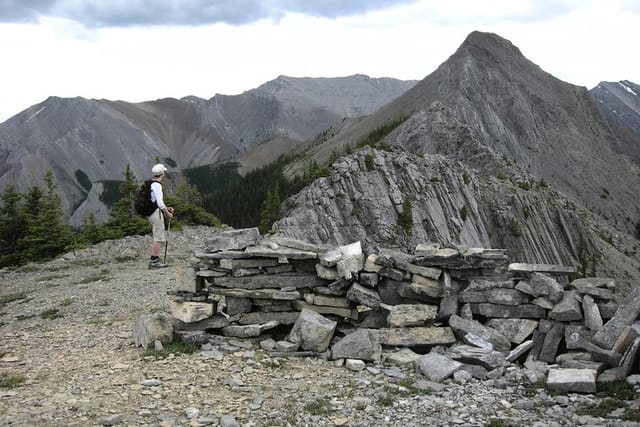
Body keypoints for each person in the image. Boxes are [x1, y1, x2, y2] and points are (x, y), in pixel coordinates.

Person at [148, 163, 174, 268]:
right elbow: (159, 203)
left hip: (151, 212)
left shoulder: (150, 184)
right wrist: (168, 214)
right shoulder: (157, 185)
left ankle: (155, 259)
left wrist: (166, 208)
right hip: (156, 213)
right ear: (162, 174)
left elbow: (156, 201)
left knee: (157, 235)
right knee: (158, 237)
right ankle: (154, 261)